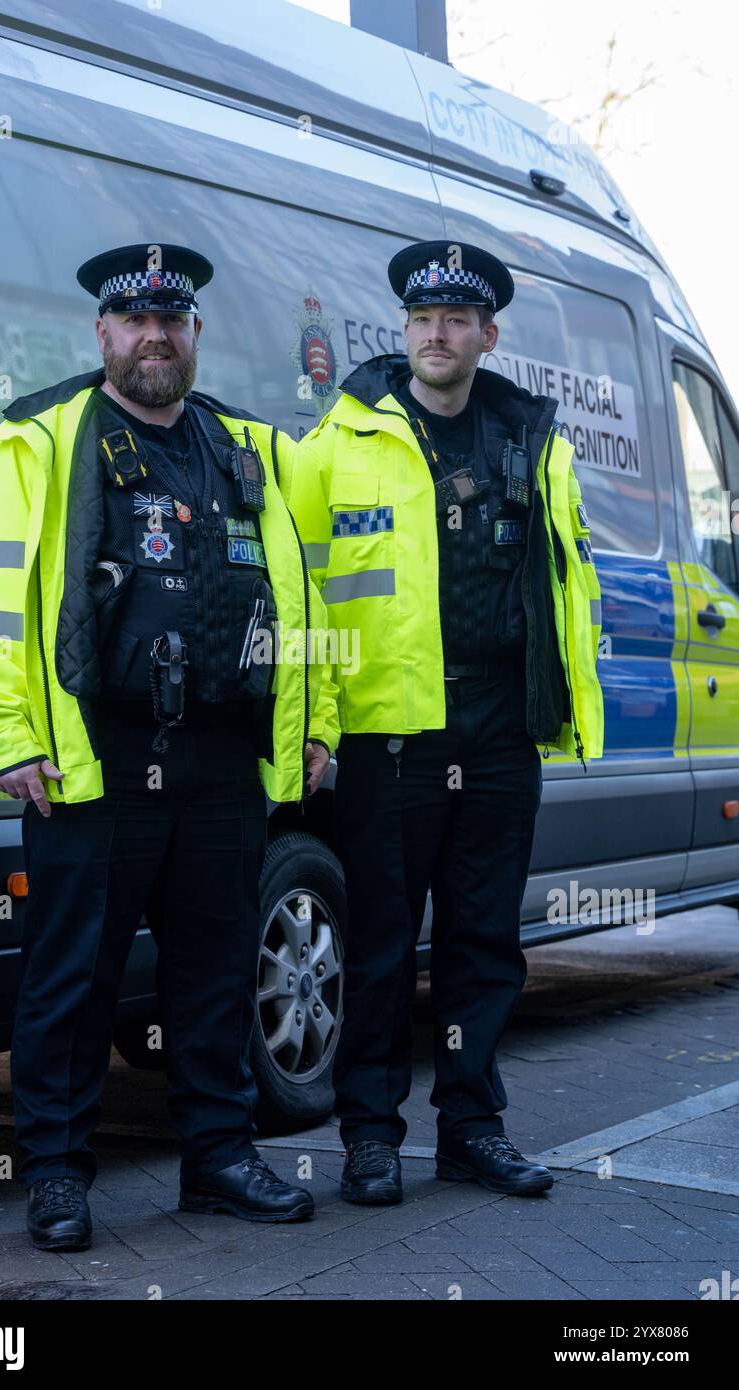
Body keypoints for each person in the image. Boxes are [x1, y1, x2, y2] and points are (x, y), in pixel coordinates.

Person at [0, 243, 339, 1247]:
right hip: (93, 758)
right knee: (71, 979)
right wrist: (4, 732)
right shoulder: (42, 439)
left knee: (212, 972)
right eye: (136, 321)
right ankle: (56, 1176)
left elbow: (301, 600)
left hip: (221, 759)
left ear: (194, 335)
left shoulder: (245, 448)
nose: (154, 336)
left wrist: (312, 727)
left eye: (173, 320)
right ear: (103, 333)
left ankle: (216, 1158)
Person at [280, 238, 604, 1204]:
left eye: (457, 320)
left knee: (484, 942)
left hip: (500, 729)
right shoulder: (337, 446)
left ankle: (472, 1126)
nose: (438, 334)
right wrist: (316, 725)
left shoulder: (532, 442)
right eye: (423, 319)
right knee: (382, 945)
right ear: (405, 330)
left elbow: (565, 586)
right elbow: (305, 604)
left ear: (486, 335)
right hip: (392, 737)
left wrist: (563, 709)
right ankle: (370, 1138)